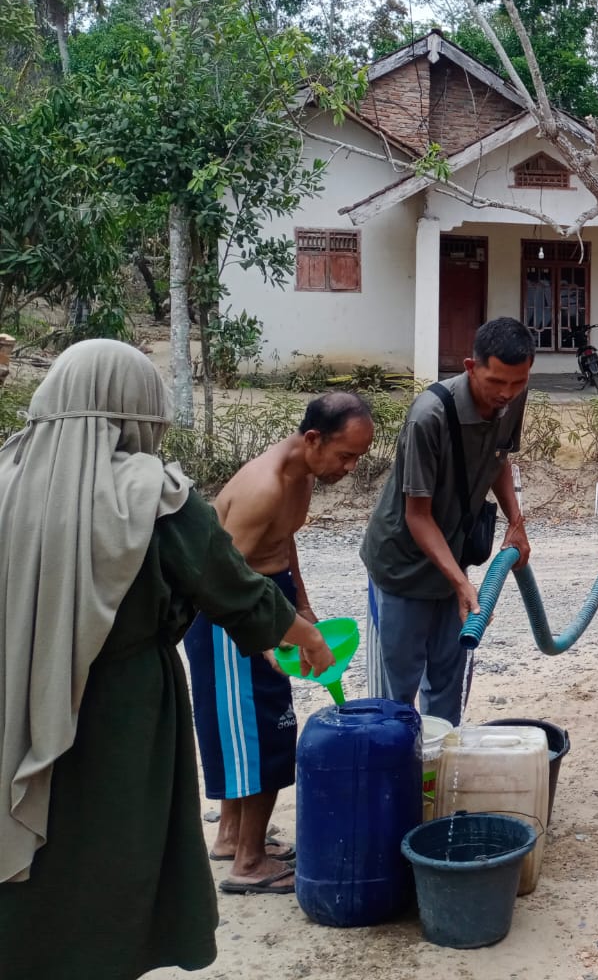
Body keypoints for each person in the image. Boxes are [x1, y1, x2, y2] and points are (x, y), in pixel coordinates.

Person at [0, 340, 334, 980]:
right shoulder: (150, 496)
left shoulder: (9, 477)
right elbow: (231, 587)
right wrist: (304, 634)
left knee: (35, 833)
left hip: (18, 689)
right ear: (138, 410)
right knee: (115, 843)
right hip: (120, 709)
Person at [183, 392, 375, 895]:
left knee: (255, 728)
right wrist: (269, 634)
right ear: (313, 439)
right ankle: (248, 865)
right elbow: (221, 580)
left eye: (358, 457)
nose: (351, 468)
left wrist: (302, 605)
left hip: (267, 599)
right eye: (346, 456)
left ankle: (230, 836)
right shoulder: (264, 486)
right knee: (263, 734)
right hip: (231, 618)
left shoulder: (302, 474)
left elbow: (283, 540)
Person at [362, 317, 533, 722]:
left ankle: (435, 779)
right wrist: (461, 583)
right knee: (396, 696)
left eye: (518, 382)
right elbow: (417, 516)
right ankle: (397, 779)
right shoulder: (428, 416)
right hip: (402, 565)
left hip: (453, 555)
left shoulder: (510, 399)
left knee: (446, 685)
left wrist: (516, 522)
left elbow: (499, 458)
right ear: (471, 366)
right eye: (496, 382)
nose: (506, 393)